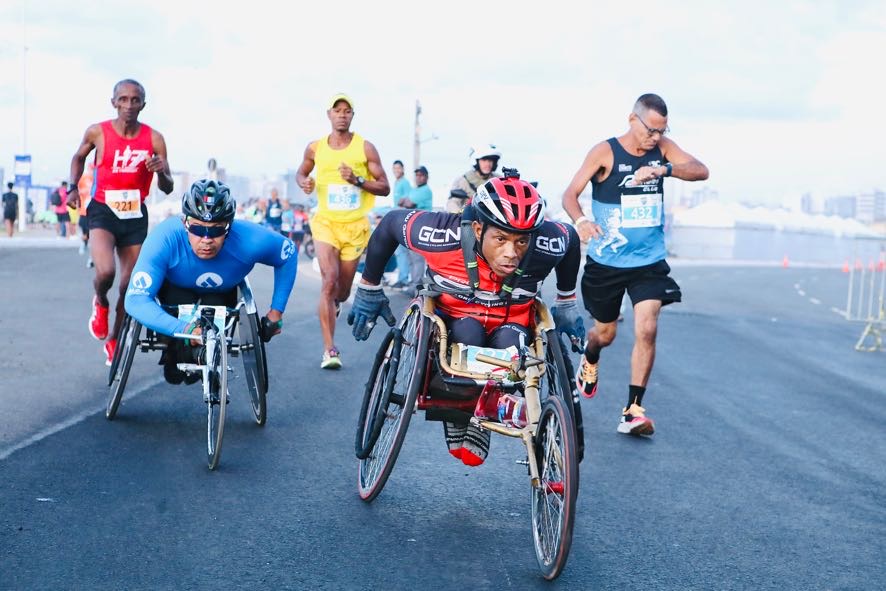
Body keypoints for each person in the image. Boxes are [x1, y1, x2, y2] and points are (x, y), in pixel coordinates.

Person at [348, 169, 583, 467]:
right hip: (454, 321)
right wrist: (369, 287)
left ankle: (480, 413)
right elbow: (392, 223)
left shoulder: (547, 241)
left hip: (512, 322)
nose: (511, 252)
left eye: (522, 242)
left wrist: (565, 302)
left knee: (511, 347)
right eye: (500, 238)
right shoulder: (443, 233)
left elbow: (571, 239)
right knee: (469, 333)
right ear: (477, 229)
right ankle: (461, 413)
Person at [561, 92, 709, 436]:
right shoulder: (605, 152)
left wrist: (664, 168)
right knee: (605, 334)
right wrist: (581, 221)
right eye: (651, 130)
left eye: (662, 130)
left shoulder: (663, 149)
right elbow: (570, 194)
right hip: (607, 262)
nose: (655, 137)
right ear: (632, 119)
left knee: (647, 327)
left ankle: (633, 411)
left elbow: (701, 170)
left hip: (649, 261)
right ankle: (591, 356)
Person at [124, 179, 297, 384]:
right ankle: (173, 352)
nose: (206, 239)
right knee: (177, 329)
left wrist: (276, 312)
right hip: (174, 290)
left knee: (213, 322)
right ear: (184, 223)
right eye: (197, 229)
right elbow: (135, 300)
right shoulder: (164, 238)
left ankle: (206, 358)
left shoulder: (250, 239)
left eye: (216, 230)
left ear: (229, 227)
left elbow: (288, 253)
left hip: (221, 294)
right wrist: (184, 329)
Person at [68, 78, 174, 365]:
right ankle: (100, 302)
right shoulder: (97, 132)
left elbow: (167, 187)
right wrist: (72, 188)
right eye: (123, 99)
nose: (129, 105)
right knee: (106, 273)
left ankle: (115, 338)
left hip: (135, 215)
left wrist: (162, 171)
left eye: (135, 100)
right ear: (114, 102)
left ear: (143, 104)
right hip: (103, 210)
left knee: (130, 286)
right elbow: (78, 158)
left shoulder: (154, 139)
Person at [295, 93, 390, 369]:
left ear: (352, 116)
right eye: (337, 110)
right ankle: (330, 350)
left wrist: (358, 180)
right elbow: (301, 173)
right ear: (329, 114)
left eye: (347, 111)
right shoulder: (315, 148)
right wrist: (305, 183)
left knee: (343, 292)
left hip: (355, 227)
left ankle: (334, 304)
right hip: (325, 223)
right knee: (329, 281)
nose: (342, 115)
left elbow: (384, 187)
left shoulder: (365, 149)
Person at [398, 165, 434, 294]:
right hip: (411, 227)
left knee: (417, 259)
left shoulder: (425, 190)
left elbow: (408, 203)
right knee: (410, 258)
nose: (419, 178)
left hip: (420, 227)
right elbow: (400, 201)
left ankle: (416, 288)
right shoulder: (414, 189)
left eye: (421, 175)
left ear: (426, 177)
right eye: (417, 175)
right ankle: (413, 285)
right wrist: (405, 201)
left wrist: (406, 201)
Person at [448, 143, 501, 212]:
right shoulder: (463, 180)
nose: (488, 164)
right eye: (484, 160)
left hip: (495, 219)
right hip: (471, 219)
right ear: (475, 161)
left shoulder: (499, 180)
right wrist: (458, 213)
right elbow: (452, 203)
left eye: (490, 161)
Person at [390, 159, 412, 289]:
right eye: (394, 168)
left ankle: (403, 279)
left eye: (398, 168)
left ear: (403, 169)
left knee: (402, 251)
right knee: (399, 251)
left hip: (402, 219)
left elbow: (406, 202)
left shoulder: (405, 183)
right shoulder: (396, 183)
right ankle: (402, 278)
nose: (396, 170)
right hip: (396, 218)